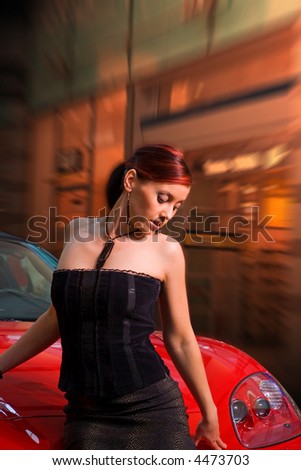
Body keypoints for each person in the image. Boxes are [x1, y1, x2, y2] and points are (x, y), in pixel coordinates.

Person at [0, 144, 226, 450]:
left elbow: (181, 338)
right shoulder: (77, 232)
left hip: (152, 410)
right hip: (85, 414)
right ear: (131, 181)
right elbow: (56, 317)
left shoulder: (167, 251)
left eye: (176, 206)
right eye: (163, 198)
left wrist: (209, 412)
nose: (167, 214)